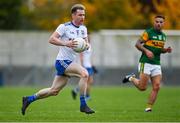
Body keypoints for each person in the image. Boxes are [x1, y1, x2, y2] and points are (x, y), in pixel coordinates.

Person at [21, 4, 95, 115]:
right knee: (84, 74)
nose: (82, 17)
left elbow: (85, 43)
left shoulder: (83, 29)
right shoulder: (64, 27)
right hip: (62, 62)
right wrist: (66, 43)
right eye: (80, 15)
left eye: (84, 15)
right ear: (73, 15)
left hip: (71, 62)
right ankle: (83, 105)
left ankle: (29, 99)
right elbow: (51, 39)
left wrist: (86, 45)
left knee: (54, 91)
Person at [122, 15, 172, 112]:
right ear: (154, 22)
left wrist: (166, 50)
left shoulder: (163, 36)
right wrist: (146, 51)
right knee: (142, 88)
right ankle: (131, 78)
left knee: (157, 86)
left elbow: (159, 49)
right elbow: (137, 44)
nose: (159, 23)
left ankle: (148, 107)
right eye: (157, 21)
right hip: (146, 62)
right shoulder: (148, 33)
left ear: (164, 23)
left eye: (161, 22)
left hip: (156, 63)